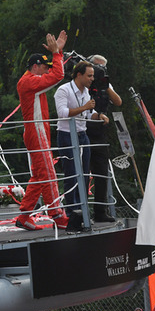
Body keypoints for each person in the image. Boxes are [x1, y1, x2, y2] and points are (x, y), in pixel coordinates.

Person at [15, 30, 71, 231]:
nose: (47, 71)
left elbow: (55, 73)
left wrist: (59, 52)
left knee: (40, 175)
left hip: (38, 132)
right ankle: (57, 214)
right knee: (48, 173)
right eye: (44, 67)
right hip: (36, 132)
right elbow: (58, 75)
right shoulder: (29, 82)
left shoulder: (30, 81)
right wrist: (56, 54)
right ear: (35, 66)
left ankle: (24, 215)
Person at [54, 60, 97, 210]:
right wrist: (84, 107)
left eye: (92, 76)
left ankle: (82, 209)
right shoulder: (63, 90)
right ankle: (72, 211)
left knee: (85, 173)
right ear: (79, 75)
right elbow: (62, 113)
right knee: (71, 174)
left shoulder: (86, 91)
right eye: (89, 75)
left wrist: (99, 116)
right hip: (66, 135)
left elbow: (88, 113)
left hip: (82, 135)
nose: (92, 79)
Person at [86, 54, 122, 223]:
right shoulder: (82, 83)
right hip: (83, 129)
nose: (99, 72)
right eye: (96, 67)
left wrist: (105, 85)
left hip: (100, 130)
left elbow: (118, 101)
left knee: (101, 172)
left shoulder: (104, 83)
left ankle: (101, 210)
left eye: (102, 68)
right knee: (84, 172)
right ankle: (80, 212)